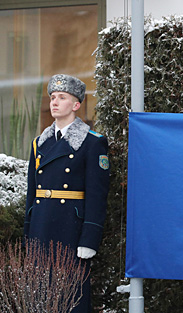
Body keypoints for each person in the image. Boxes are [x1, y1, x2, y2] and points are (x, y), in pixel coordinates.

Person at [24, 74, 110, 312]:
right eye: (52, 97)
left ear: (76, 105)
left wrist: (89, 238)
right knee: (41, 296)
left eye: (62, 97)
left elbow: (97, 194)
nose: (54, 102)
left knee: (72, 298)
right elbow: (32, 194)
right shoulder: (39, 143)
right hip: (41, 229)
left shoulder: (92, 143)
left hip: (70, 230)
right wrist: (27, 233)